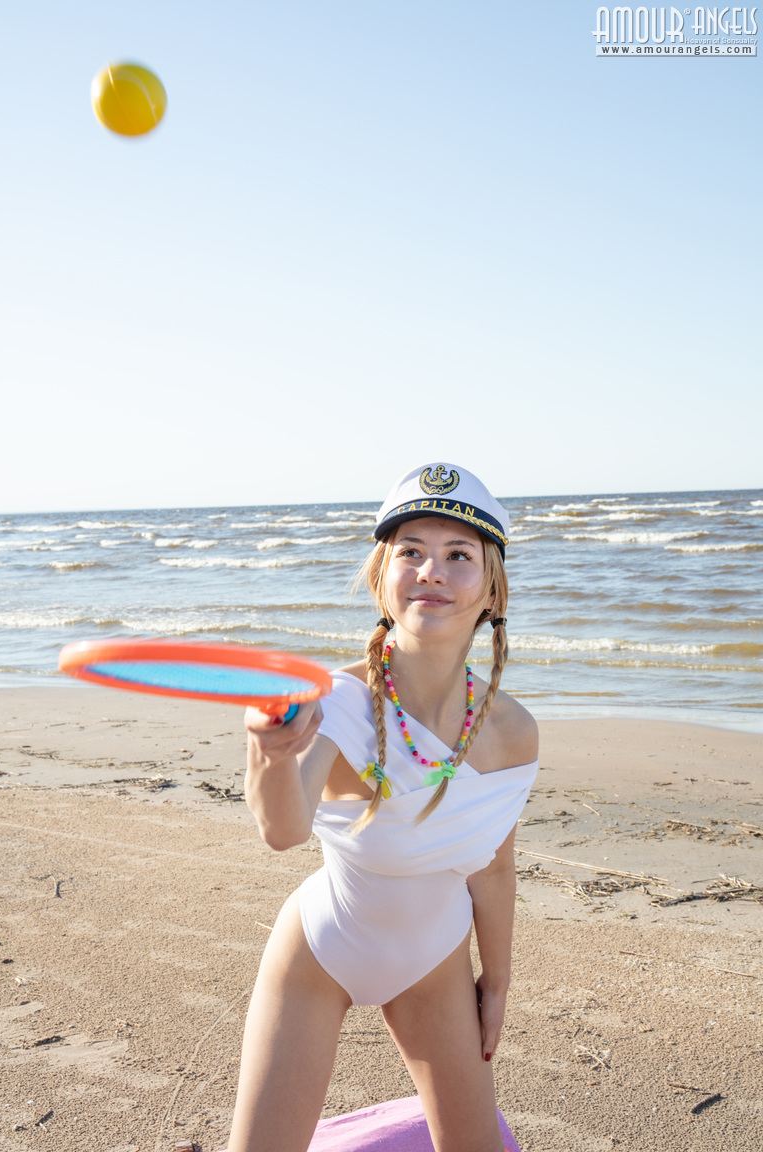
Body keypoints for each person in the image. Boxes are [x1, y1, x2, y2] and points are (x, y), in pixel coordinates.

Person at [227, 463, 538, 1152]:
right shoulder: (337, 699)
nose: (432, 570)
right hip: (322, 951)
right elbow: (283, 831)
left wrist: (499, 983)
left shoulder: (514, 732)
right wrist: (271, 752)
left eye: (458, 555)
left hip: (438, 962)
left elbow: (493, 868)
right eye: (411, 552)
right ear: (382, 578)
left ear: (491, 589)